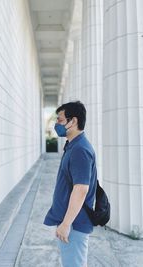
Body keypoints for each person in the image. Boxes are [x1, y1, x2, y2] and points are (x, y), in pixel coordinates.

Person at [44, 101, 97, 267]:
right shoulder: (73, 145)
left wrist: (66, 224)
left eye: (60, 120)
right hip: (71, 221)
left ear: (73, 121)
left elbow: (81, 189)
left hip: (74, 224)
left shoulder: (80, 149)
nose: (56, 124)